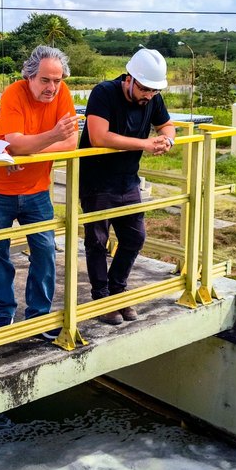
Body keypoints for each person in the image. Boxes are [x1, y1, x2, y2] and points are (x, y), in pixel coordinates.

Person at [0, 45, 78, 335]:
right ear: (30, 76)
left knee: (45, 250)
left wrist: (28, 150)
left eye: (57, 80)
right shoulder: (14, 94)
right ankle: (3, 311)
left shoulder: (64, 94)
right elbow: (16, 142)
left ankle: (38, 316)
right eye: (45, 80)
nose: (52, 87)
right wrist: (49, 138)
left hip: (36, 189)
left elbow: (70, 144)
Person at [78, 48, 175, 325]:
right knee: (97, 241)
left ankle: (117, 290)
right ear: (129, 79)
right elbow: (98, 137)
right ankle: (102, 298)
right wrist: (145, 144)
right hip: (97, 181)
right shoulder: (104, 93)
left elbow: (167, 126)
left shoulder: (153, 97)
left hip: (127, 180)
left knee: (134, 238)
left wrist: (167, 140)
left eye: (154, 92)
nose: (148, 96)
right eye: (144, 89)